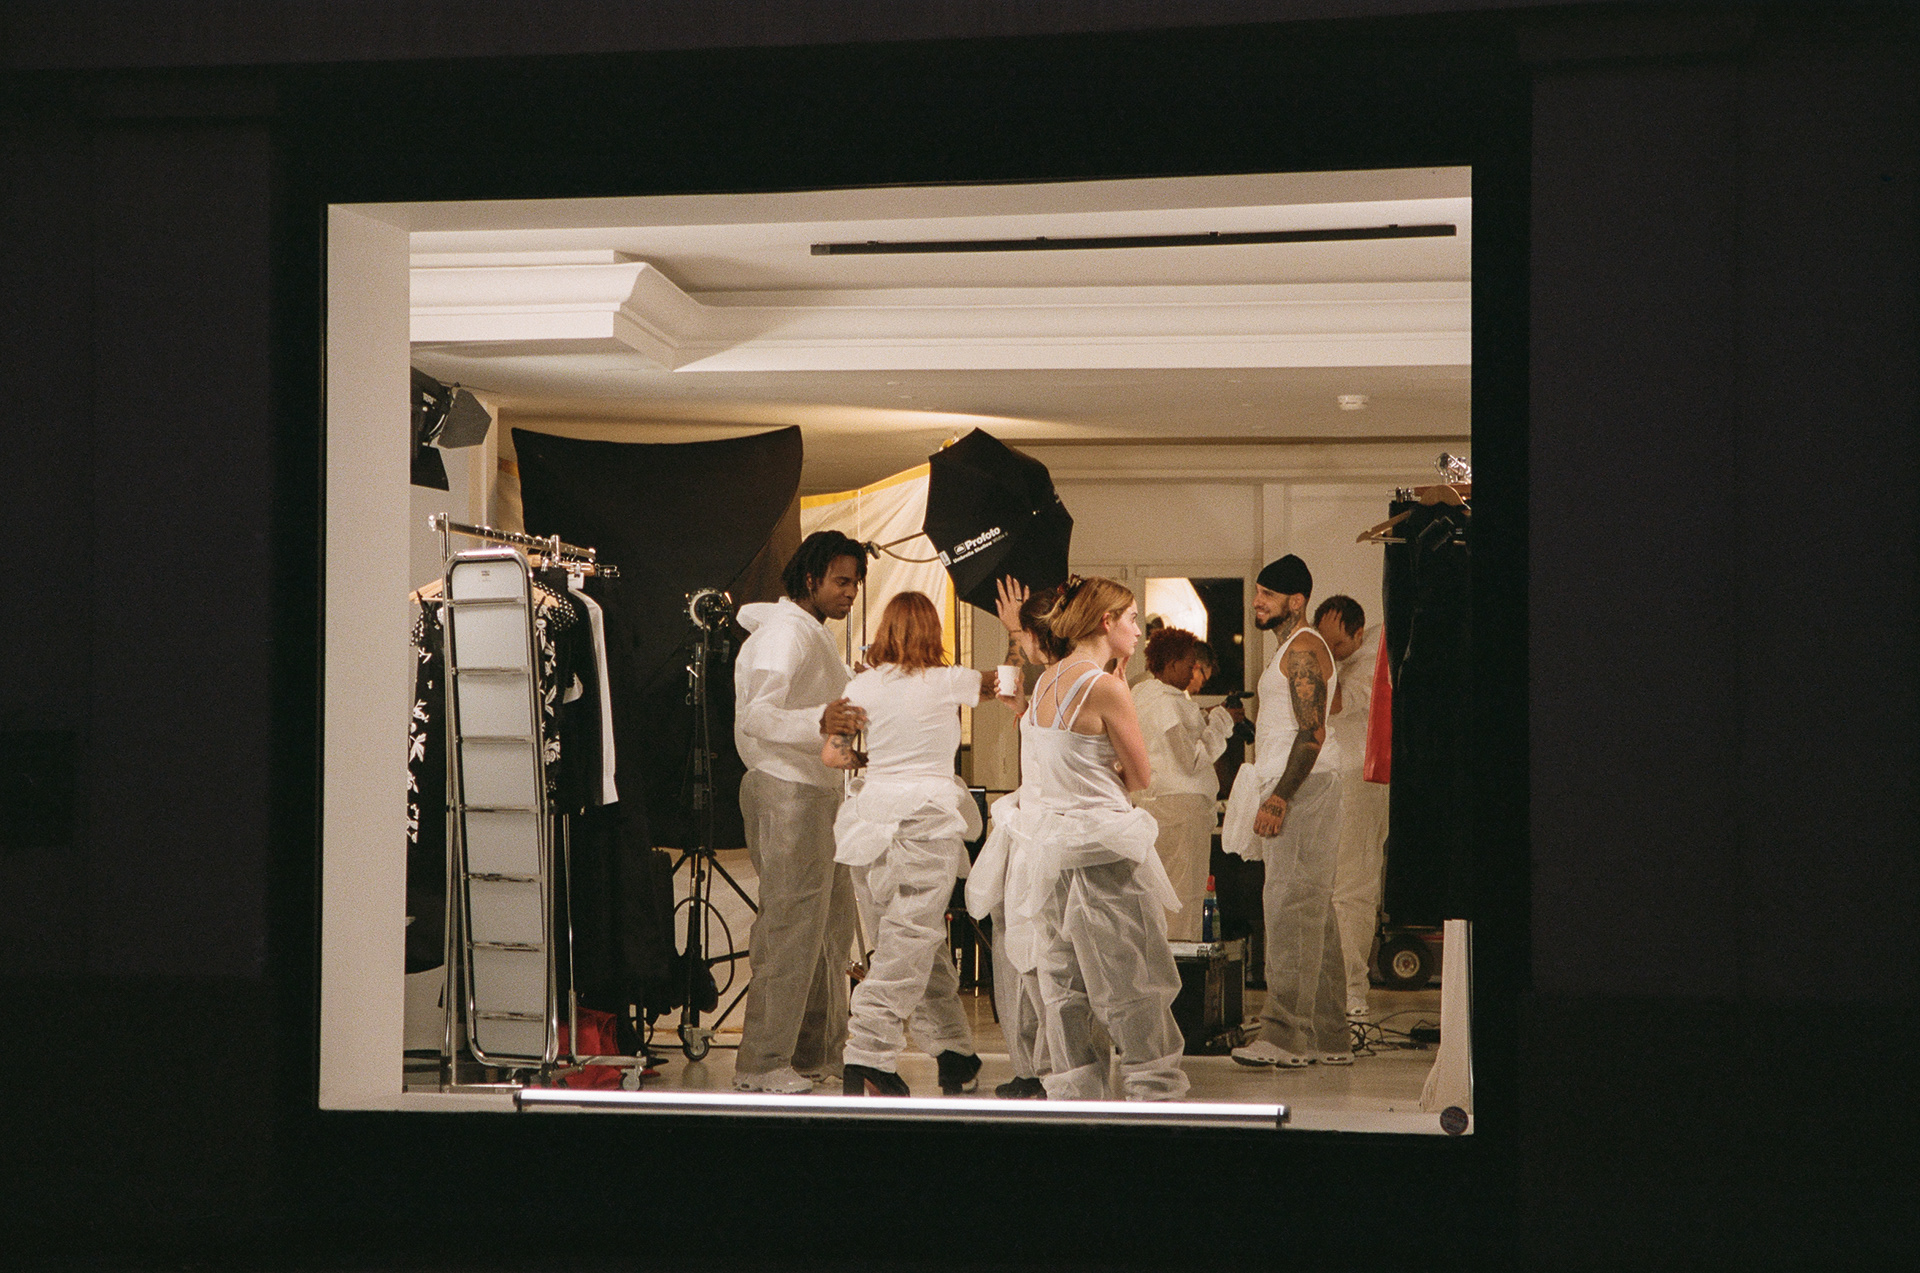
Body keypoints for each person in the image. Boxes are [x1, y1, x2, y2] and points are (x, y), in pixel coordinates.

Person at [983, 576, 1189, 1101]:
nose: (1139, 631)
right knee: (1132, 983)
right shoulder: (1104, 687)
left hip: (1048, 854)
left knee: (1065, 987)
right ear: (1106, 621)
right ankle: (1154, 1095)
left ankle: (1077, 1100)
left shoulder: (1046, 682)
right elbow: (1140, 776)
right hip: (1101, 849)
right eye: (1132, 619)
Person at [824, 591, 1008, 1097]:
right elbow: (1004, 682)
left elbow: (834, 755)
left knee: (910, 941)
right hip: (926, 820)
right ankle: (867, 1053)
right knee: (910, 940)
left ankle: (953, 1053)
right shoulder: (948, 680)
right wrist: (1014, 633)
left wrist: (868, 759)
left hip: (869, 822)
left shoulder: (861, 685)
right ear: (932, 630)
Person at [731, 530, 869, 1094]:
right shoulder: (785, 632)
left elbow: (817, 716)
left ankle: (813, 1052)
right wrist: (821, 720)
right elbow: (756, 716)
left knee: (828, 930)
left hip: (815, 791)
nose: (851, 592)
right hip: (787, 791)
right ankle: (762, 1061)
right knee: (791, 928)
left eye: (856, 583)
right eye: (841, 581)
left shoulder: (808, 633)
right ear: (811, 578)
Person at [1222, 554, 1351, 1068]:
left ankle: (1284, 1037)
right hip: (1302, 781)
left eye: (1268, 595)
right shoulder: (1291, 649)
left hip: (1302, 786)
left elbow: (1311, 732)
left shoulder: (1302, 649)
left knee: (1290, 907)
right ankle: (1330, 1037)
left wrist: (1280, 796)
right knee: (1312, 910)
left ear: (1296, 602)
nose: (1258, 601)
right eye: (1257, 592)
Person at [1130, 627, 1234, 940]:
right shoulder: (1163, 702)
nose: (1192, 672)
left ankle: (1167, 959)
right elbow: (1189, 760)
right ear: (1172, 663)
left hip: (1157, 806)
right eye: (1189, 665)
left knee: (1162, 895)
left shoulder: (1143, 695)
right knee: (1183, 896)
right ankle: (1182, 961)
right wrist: (1221, 725)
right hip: (1179, 811)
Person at [1315, 595, 1390, 1021]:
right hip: (1330, 780)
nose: (1331, 653)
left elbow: (1336, 702)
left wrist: (1308, 657)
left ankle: (1351, 994)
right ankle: (1330, 991)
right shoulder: (1344, 657)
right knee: (1327, 891)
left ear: (1358, 634)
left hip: (1361, 781)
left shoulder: (1373, 659)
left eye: (1337, 645)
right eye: (1324, 644)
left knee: (1351, 891)